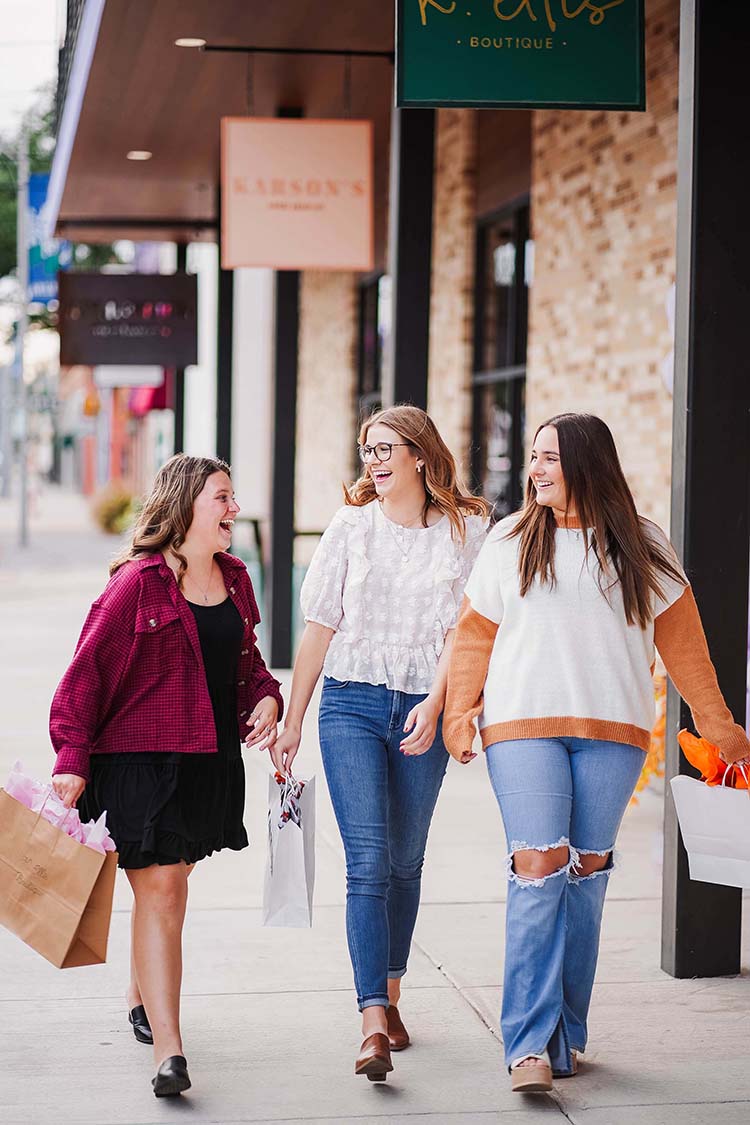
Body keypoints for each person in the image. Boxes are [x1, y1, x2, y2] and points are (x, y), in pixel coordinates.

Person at [444, 412, 750, 1094]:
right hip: (522, 726)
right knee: (539, 863)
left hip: (614, 731)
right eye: (533, 457)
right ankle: (525, 1041)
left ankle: (564, 1034)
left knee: (584, 876)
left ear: (587, 461)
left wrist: (721, 723)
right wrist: (461, 711)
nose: (536, 469)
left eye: (548, 456)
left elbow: (685, 645)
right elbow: (472, 635)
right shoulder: (511, 539)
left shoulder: (642, 545)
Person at [50, 454, 283, 1098]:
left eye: (233, 497)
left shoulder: (236, 579)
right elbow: (83, 674)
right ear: (185, 508)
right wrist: (71, 759)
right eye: (223, 497)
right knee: (163, 894)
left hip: (207, 761)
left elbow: (246, 664)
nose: (234, 509)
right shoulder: (138, 584)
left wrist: (266, 697)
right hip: (140, 761)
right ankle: (170, 1050)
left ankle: (138, 991)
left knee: (169, 887)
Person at [270, 405, 489, 1082]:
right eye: (366, 449)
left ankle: (391, 991)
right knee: (366, 861)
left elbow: (468, 629)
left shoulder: (465, 529)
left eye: (385, 447)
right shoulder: (350, 528)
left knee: (404, 858)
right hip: (352, 704)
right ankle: (371, 1019)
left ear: (421, 455)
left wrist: (439, 699)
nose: (373, 459)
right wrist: (293, 718)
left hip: (425, 705)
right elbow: (318, 627)